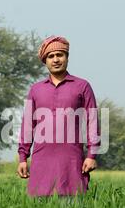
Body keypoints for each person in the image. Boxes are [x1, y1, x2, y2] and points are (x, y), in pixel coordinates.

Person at [17, 35, 100, 197]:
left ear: (67, 57)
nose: (55, 60)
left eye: (59, 55)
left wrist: (91, 155)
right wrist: (22, 157)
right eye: (51, 56)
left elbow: (93, 122)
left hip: (72, 160)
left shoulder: (82, 86)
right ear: (45, 61)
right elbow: (28, 126)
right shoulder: (36, 89)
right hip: (41, 161)